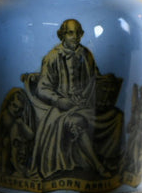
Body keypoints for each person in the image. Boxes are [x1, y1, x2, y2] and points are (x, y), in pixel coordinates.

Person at [29, 19, 120, 179]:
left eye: (78, 33)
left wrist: (105, 83)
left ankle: (113, 162)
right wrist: (59, 100)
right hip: (61, 109)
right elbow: (42, 88)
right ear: (62, 35)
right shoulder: (53, 57)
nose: (75, 37)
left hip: (85, 104)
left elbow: (95, 78)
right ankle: (97, 166)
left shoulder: (86, 55)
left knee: (117, 117)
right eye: (71, 33)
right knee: (77, 122)